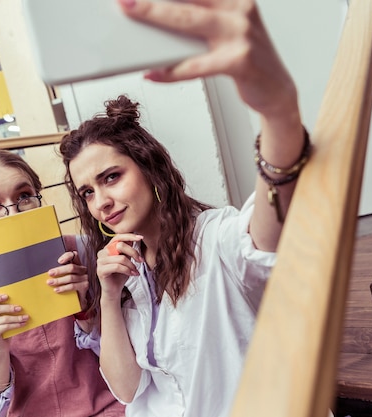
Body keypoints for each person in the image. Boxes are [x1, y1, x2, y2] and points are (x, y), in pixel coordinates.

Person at [58, 0, 311, 416]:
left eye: (111, 177)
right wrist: (108, 295)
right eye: (86, 192)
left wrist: (279, 113)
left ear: (151, 169)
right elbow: (126, 390)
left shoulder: (214, 238)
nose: (100, 202)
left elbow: (267, 230)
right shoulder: (128, 271)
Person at [0, 149, 124, 417]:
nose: (13, 212)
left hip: (109, 408)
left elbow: (128, 357)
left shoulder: (85, 251)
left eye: (24, 197)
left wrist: (86, 310)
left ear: (39, 199)